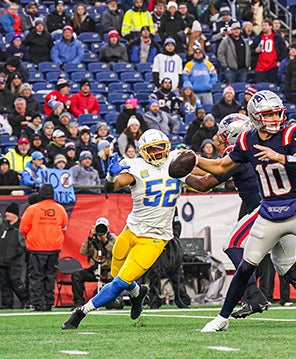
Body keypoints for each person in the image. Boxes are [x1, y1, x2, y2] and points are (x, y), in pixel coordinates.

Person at [194, 92, 296, 331]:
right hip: (269, 211)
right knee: (246, 267)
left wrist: (280, 157)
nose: (274, 118)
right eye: (267, 114)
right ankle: (221, 319)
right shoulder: (246, 141)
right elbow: (220, 166)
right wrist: (194, 159)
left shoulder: (290, 134)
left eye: (275, 112)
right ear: (254, 117)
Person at [62, 131, 179, 328]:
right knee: (116, 277)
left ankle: (81, 312)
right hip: (131, 230)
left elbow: (203, 182)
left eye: (161, 147)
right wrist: (109, 175)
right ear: (144, 152)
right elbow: (112, 187)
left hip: (155, 238)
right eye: (153, 149)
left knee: (118, 284)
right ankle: (137, 293)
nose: (158, 153)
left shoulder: (176, 163)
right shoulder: (135, 165)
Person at [22, 182, 67, 312]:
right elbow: (64, 227)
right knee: (50, 276)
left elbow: (23, 228)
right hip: (54, 248)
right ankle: (48, 303)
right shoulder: (60, 209)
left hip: (36, 248)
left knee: (36, 276)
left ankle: (37, 303)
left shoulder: (32, 209)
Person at [72, 217, 117, 308]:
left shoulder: (113, 239)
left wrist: (105, 241)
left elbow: (115, 251)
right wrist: (89, 238)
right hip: (95, 270)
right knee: (77, 275)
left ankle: (111, 300)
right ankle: (79, 303)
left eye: (104, 227)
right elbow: (83, 252)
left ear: (108, 228)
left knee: (111, 305)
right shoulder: (92, 239)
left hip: (109, 272)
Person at [0, 202, 27, 308]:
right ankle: (7, 305)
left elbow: (23, 244)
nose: (6, 214)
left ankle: (25, 301)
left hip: (14, 261)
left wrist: (16, 253)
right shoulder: (2, 227)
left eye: (8, 212)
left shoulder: (20, 228)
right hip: (2, 261)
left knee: (16, 283)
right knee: (4, 285)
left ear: (14, 214)